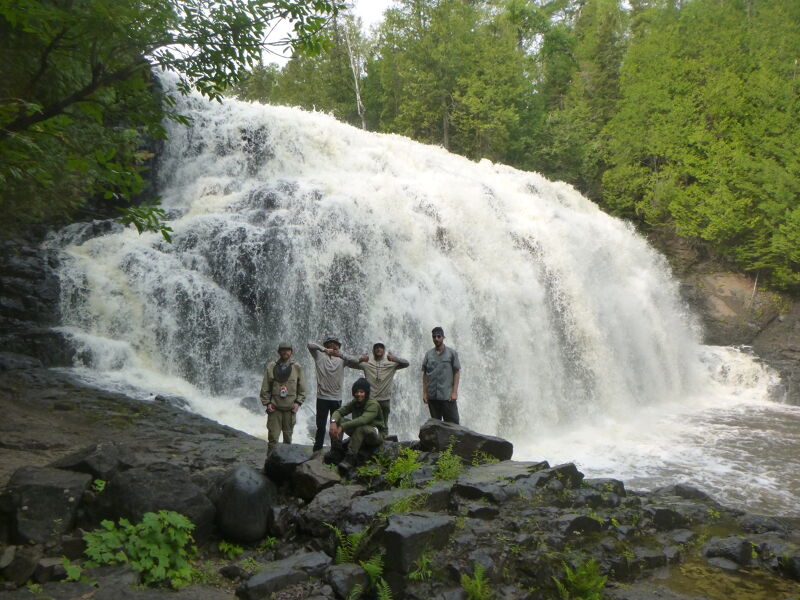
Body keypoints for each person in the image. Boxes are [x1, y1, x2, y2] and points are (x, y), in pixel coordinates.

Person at [345, 342, 409, 435]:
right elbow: (349, 364)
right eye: (376, 348)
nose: (379, 349)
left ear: (384, 350)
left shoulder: (391, 364)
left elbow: (406, 363)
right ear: (373, 351)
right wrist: (360, 359)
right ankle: (370, 441)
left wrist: (394, 358)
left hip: (385, 400)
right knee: (370, 422)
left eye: (381, 348)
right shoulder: (367, 364)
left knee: (384, 424)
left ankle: (385, 443)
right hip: (371, 400)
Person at [328, 377, 384, 472]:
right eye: (356, 392)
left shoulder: (373, 404)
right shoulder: (355, 402)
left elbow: (363, 420)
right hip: (360, 432)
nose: (358, 394)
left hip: (375, 435)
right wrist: (333, 422)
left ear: (366, 393)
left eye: (361, 392)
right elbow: (339, 411)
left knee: (360, 428)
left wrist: (343, 427)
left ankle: (350, 458)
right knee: (339, 420)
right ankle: (336, 450)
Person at [260, 341, 306, 453]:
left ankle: (286, 465)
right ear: (279, 352)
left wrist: (298, 403)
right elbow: (265, 387)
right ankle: (270, 464)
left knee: (288, 440)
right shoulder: (271, 366)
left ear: (291, 352)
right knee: (273, 439)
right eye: (283, 350)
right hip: (274, 409)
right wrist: (267, 403)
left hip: (290, 411)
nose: (285, 352)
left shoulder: (297, 367)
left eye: (288, 350)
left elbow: (302, 388)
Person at [308, 336, 348, 452]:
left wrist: (340, 354)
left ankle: (335, 451)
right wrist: (323, 349)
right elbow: (310, 344)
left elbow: (355, 361)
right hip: (322, 399)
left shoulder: (342, 359)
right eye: (329, 344)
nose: (332, 346)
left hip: (336, 399)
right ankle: (317, 451)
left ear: (338, 347)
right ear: (326, 345)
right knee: (320, 427)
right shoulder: (319, 356)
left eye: (335, 344)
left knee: (336, 427)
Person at [421, 326, 461, 424]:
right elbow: (425, 375)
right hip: (433, 397)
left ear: (443, 337)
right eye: (434, 337)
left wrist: (454, 392)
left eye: (439, 336)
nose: (436, 339)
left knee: (453, 424)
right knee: (436, 426)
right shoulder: (428, 354)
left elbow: (457, 372)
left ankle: (453, 440)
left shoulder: (452, 353)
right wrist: (425, 393)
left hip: (447, 397)